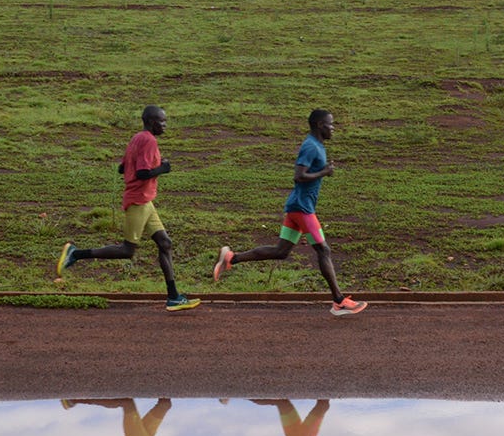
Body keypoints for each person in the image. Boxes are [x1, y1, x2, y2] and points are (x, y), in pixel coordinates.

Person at [214, 109, 367, 316]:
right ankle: (339, 301)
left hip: (298, 206)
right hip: (302, 208)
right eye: (331, 124)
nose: (333, 128)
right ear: (320, 125)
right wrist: (325, 172)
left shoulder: (317, 146)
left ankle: (232, 258)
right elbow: (299, 176)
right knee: (324, 250)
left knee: (281, 251)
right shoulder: (310, 146)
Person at [55, 104, 199, 311]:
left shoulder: (137, 138)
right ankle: (76, 254)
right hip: (138, 200)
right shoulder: (148, 140)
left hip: (146, 201)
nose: (165, 125)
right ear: (151, 122)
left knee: (165, 243)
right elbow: (141, 173)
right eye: (162, 121)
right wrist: (163, 169)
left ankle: (174, 296)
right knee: (127, 250)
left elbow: (122, 168)